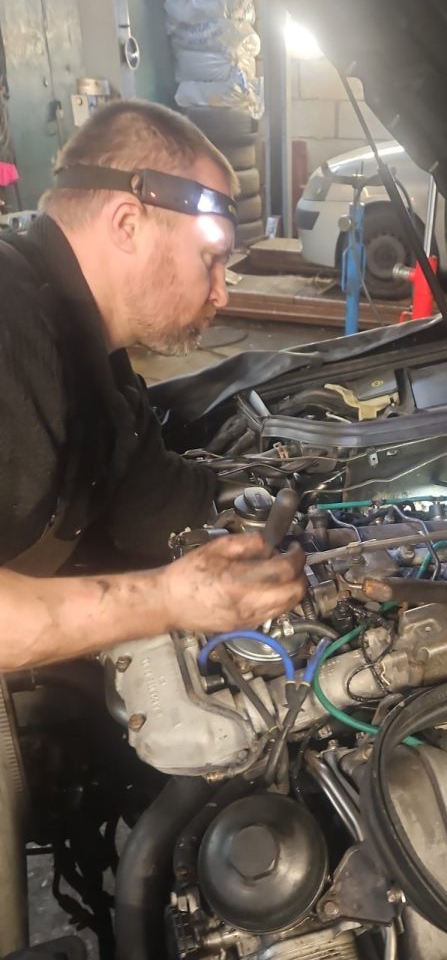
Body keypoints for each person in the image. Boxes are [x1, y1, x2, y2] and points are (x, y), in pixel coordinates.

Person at [0, 99, 305, 671]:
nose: (222, 293)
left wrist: (299, 507)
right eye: (210, 259)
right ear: (127, 224)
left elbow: (155, 502)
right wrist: (165, 599)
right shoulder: (11, 331)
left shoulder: (98, 364)